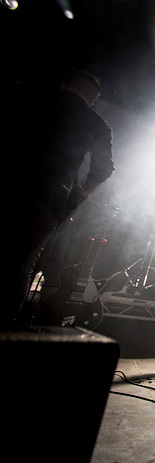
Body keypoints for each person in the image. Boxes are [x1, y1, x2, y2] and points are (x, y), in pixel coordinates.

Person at [6, 69, 114, 327]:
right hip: (47, 197)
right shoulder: (96, 122)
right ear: (93, 98)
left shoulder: (31, 97)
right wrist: (83, 191)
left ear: (65, 85)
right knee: (21, 264)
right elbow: (104, 168)